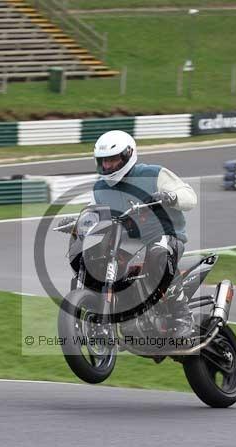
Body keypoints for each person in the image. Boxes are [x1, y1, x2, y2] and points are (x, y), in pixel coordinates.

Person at [91, 130, 197, 337]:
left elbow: (190, 197)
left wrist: (170, 196)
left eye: (112, 160)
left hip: (165, 236)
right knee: (96, 261)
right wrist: (77, 222)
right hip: (128, 246)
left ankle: (182, 314)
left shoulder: (153, 174)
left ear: (127, 155)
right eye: (103, 161)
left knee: (158, 254)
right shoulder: (99, 188)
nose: (107, 166)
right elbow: (93, 212)